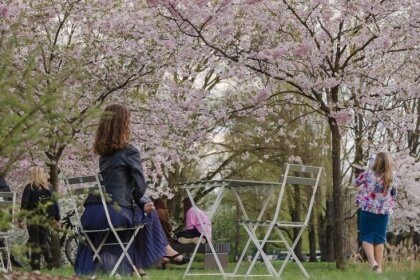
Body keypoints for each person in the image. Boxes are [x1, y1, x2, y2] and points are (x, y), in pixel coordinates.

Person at [74, 104, 188, 277]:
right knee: (148, 215)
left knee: (137, 215)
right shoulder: (130, 152)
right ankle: (165, 251)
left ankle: (137, 268)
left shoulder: (104, 156)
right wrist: (144, 202)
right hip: (113, 213)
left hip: (90, 216)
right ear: (124, 124)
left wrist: (141, 203)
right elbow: (140, 188)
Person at [354, 152, 398, 273]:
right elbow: (394, 194)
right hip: (383, 211)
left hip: (368, 209)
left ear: (376, 162)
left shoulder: (368, 174)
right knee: (379, 239)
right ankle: (378, 269)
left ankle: (372, 261)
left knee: (366, 237)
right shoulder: (392, 177)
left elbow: (355, 182)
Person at [20, 166, 61, 271]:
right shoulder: (49, 187)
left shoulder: (29, 187)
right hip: (46, 219)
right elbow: (55, 204)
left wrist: (20, 220)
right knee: (43, 241)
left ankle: (36, 268)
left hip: (33, 219)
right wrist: (57, 218)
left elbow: (24, 205)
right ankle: (49, 259)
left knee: (35, 243)